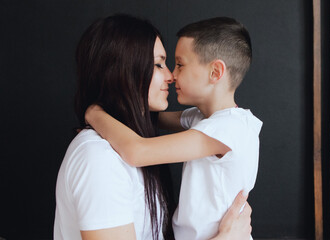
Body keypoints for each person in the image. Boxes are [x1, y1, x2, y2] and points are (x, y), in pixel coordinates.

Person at [54, 14, 252, 240]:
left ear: (215, 72)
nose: (171, 76)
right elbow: (151, 126)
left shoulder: (229, 127)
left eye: (178, 65)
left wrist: (94, 113)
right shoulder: (98, 157)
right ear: (123, 70)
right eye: (159, 64)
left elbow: (139, 149)